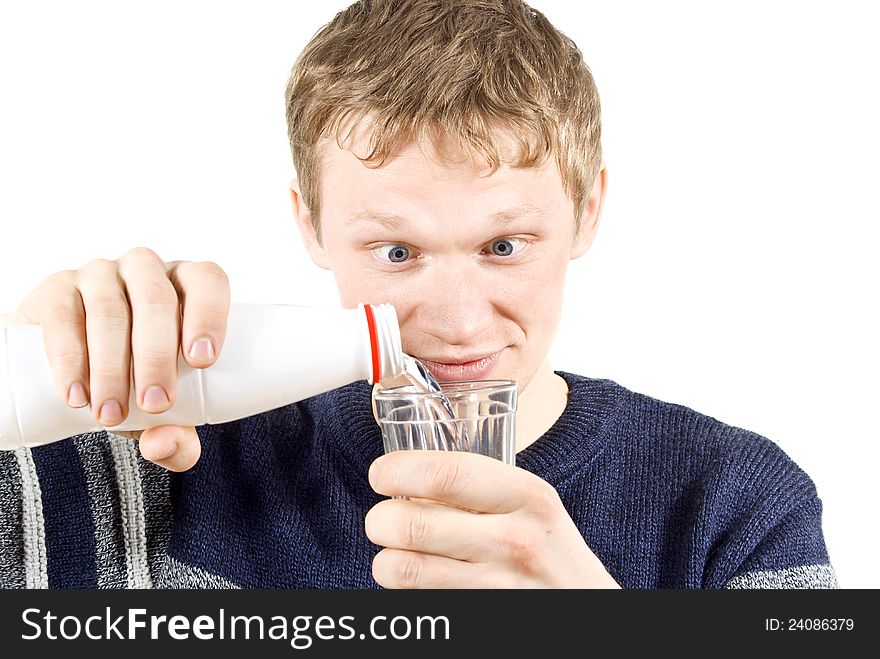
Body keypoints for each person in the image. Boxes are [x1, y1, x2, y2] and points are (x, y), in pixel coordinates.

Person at [0, 0, 836, 589]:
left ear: (587, 213)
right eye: (396, 250)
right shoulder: (164, 462)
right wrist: (29, 372)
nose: (459, 322)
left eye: (504, 245)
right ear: (310, 223)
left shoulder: (737, 503)